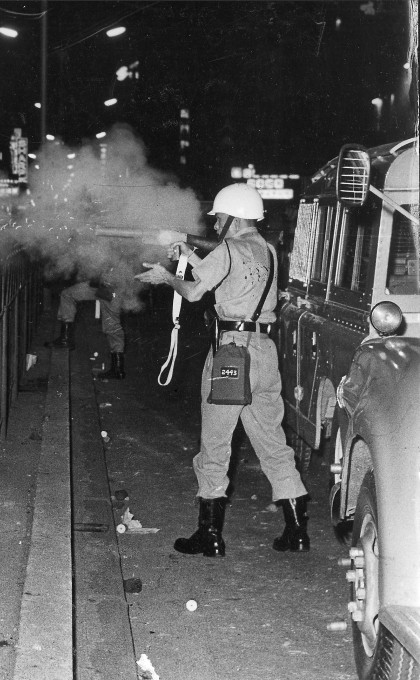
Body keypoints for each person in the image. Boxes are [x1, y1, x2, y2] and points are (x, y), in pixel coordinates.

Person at [135, 183, 309, 557]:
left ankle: (209, 535)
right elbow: (231, 279)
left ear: (232, 216)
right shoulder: (269, 251)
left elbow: (197, 292)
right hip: (264, 353)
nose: (215, 225)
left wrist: (167, 277)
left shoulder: (230, 248)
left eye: (218, 218)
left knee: (215, 444)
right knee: (273, 444)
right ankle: (296, 532)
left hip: (231, 355)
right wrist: (189, 255)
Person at [46, 277, 125, 380]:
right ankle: (118, 369)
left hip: (108, 286)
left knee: (112, 325)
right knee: (68, 294)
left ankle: (65, 338)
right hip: (107, 285)